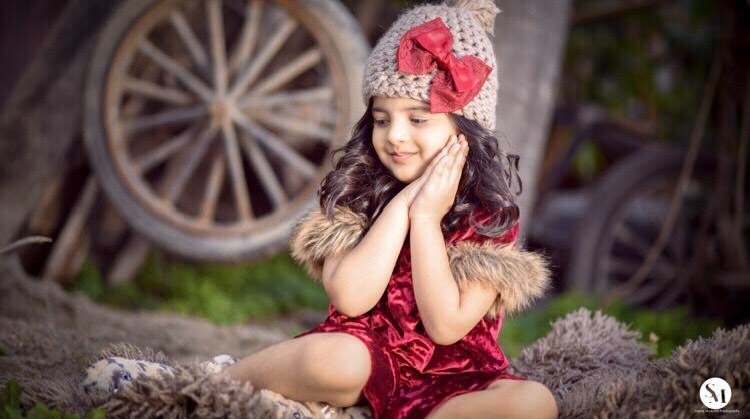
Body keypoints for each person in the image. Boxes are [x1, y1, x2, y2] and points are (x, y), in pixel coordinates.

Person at [222, 1, 558, 418]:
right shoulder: (358, 191)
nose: (395, 136)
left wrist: (426, 219)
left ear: (465, 131)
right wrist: (404, 204)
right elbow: (350, 299)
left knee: (535, 403)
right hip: (365, 361)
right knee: (335, 360)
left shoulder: (487, 217)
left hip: (456, 382)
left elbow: (445, 326)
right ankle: (216, 380)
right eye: (382, 119)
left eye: (417, 120)